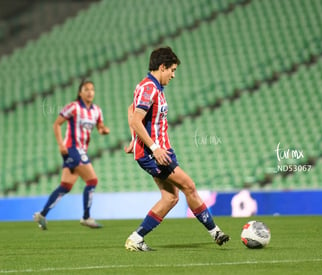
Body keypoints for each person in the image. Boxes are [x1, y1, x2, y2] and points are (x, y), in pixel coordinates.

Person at [123, 46, 230, 251]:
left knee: (171, 197)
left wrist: (134, 139)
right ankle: (215, 232)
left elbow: (131, 110)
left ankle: (136, 238)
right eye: (172, 70)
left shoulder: (152, 87)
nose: (173, 75)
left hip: (158, 151)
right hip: (154, 154)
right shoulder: (149, 88)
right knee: (188, 185)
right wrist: (152, 147)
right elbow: (136, 118)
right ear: (162, 67)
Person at [33, 80, 110, 230]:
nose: (89, 92)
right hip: (73, 149)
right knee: (92, 180)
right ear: (80, 92)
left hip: (81, 150)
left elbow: (100, 126)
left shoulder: (97, 110)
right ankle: (86, 217)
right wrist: (61, 144)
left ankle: (42, 214)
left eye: (92, 89)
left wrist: (103, 130)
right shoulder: (73, 107)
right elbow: (57, 124)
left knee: (66, 186)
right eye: (86, 89)